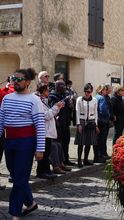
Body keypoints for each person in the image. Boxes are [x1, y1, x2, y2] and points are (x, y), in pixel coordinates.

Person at [0, 68, 45, 219]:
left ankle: (14, 213)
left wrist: (40, 149)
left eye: (19, 79)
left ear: (27, 82)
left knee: (19, 178)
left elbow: (40, 125)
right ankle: (31, 203)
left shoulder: (34, 100)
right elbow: (1, 120)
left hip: (26, 142)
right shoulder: (7, 98)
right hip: (9, 141)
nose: (15, 82)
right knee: (16, 174)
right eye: (14, 78)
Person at [35, 84, 64, 179]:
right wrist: (56, 107)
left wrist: (57, 108)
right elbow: (46, 116)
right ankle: (41, 172)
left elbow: (50, 113)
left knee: (47, 153)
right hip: (43, 131)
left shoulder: (44, 101)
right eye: (47, 90)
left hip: (47, 131)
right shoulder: (38, 101)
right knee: (44, 153)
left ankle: (46, 170)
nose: (49, 92)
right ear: (42, 91)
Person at [49, 80, 74, 166]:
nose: (64, 87)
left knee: (66, 142)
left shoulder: (65, 96)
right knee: (58, 143)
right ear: (58, 87)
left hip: (66, 123)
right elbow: (53, 110)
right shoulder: (53, 96)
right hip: (58, 124)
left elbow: (70, 108)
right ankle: (58, 162)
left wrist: (70, 104)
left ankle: (66, 159)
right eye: (62, 86)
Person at [74, 83, 100, 167]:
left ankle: (86, 159)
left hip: (91, 122)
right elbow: (77, 112)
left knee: (89, 142)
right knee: (81, 142)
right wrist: (78, 124)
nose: (87, 93)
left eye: (88, 91)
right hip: (82, 121)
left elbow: (96, 112)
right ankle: (79, 160)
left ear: (91, 91)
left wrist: (96, 125)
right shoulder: (79, 99)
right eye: (85, 91)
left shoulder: (95, 100)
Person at [94, 84, 110, 163]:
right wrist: (108, 116)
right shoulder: (102, 98)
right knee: (101, 140)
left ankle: (96, 156)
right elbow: (103, 110)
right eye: (104, 90)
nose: (105, 91)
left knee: (97, 139)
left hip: (97, 120)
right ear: (101, 90)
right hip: (103, 120)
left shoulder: (95, 97)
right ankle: (99, 156)